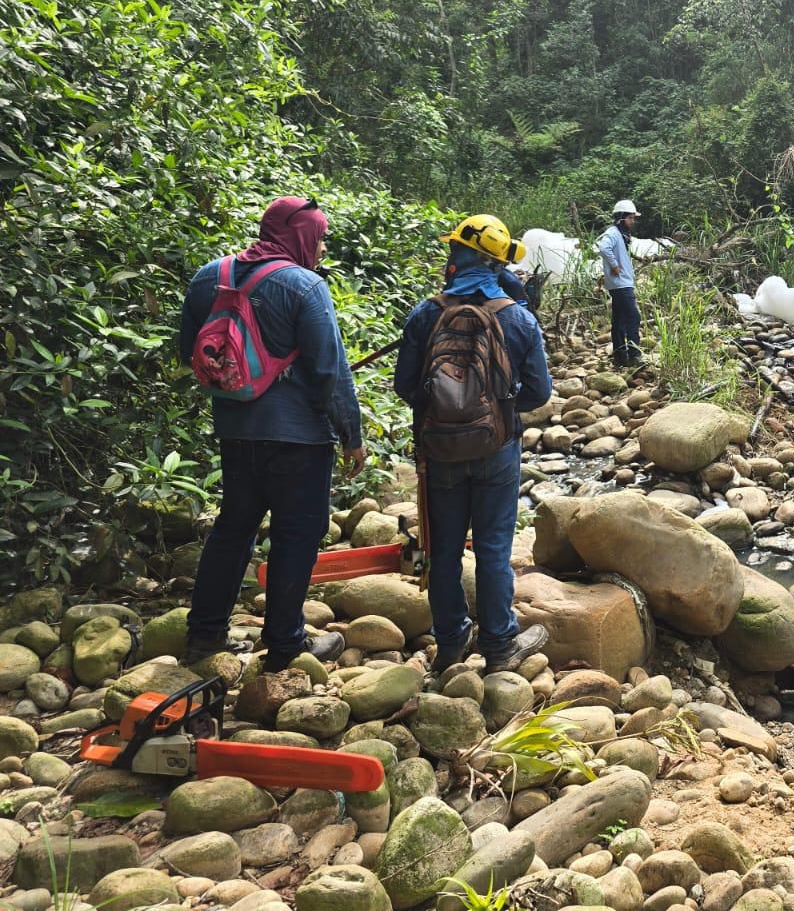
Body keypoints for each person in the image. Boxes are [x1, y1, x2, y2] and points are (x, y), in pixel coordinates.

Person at [179, 196, 362, 672]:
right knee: (297, 535)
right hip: (299, 437)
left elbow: (188, 352)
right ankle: (285, 644)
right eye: (319, 237)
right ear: (301, 236)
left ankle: (203, 637)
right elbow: (330, 371)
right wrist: (352, 435)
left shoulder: (208, 277)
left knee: (233, 528)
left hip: (236, 431)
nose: (321, 248)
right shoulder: (304, 286)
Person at [395, 214, 553, 673]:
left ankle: (449, 643)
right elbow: (540, 392)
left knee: (443, 548)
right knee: (493, 546)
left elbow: (406, 384)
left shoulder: (427, 313)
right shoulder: (518, 317)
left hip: (439, 451)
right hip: (495, 449)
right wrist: (496, 409)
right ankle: (500, 642)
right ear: (498, 264)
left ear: (457, 257)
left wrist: (447, 412)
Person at [597, 199, 643, 366]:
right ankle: (635, 356)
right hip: (621, 284)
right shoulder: (613, 232)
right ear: (621, 218)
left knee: (619, 319)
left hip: (622, 283)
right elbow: (603, 247)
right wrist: (614, 265)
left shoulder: (621, 234)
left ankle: (620, 356)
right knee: (633, 317)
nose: (633, 221)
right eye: (630, 218)